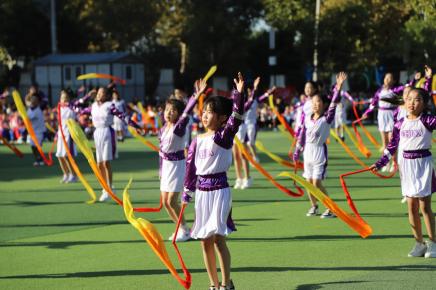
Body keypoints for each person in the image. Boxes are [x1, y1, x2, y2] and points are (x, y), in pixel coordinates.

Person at [182, 72, 245, 290]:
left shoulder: (223, 137)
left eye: (211, 112)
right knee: (204, 240)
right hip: (201, 192)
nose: (206, 115)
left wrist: (238, 94)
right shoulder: (197, 140)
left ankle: (227, 284)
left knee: (218, 239)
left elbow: (237, 117)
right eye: (205, 111)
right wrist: (186, 192)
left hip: (219, 190)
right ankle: (213, 284)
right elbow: (190, 168)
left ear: (221, 118)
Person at [370, 86, 435, 258]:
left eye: (417, 99)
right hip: (406, 165)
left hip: (423, 164)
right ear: (404, 101)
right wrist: (380, 162)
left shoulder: (428, 120)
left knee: (424, 206)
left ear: (424, 103)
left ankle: (433, 243)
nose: (412, 103)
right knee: (411, 206)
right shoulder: (399, 123)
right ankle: (419, 243)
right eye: (409, 99)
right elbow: (391, 146)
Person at [293, 72, 347, 218]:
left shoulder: (326, 118)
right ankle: (314, 206)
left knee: (316, 182)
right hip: (308, 153)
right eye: (314, 102)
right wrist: (297, 151)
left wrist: (339, 86)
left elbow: (334, 102)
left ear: (323, 104)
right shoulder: (308, 118)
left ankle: (331, 208)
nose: (315, 104)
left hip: (319, 153)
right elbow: (303, 134)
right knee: (309, 183)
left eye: (318, 102)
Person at [160, 78, 207, 242]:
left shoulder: (179, 128)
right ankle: (181, 228)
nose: (169, 113)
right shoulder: (164, 129)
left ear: (179, 114)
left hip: (177, 166)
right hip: (166, 167)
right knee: (166, 203)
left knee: (172, 201)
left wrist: (197, 95)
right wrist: (160, 170)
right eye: (167, 109)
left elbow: (187, 112)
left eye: (173, 111)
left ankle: (185, 229)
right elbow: (161, 152)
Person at [90, 87, 141, 202]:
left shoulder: (110, 105)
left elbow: (123, 116)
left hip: (107, 132)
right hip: (97, 133)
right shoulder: (93, 106)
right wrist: (88, 96)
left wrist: (135, 126)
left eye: (101, 93)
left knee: (106, 162)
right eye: (98, 93)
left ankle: (110, 187)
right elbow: (77, 108)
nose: (99, 95)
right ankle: (105, 188)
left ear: (107, 95)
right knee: (99, 164)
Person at [362, 73, 416, 172]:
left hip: (391, 115)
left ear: (393, 81)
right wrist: (366, 113)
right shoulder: (379, 91)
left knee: (392, 141)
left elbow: (407, 87)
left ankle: (394, 163)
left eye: (390, 78)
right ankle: (385, 163)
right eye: (386, 78)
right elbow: (373, 103)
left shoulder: (394, 90)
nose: (387, 80)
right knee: (385, 143)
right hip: (381, 115)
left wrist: (414, 80)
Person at [56, 90, 78, 183]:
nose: (63, 100)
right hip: (61, 134)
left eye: (65, 98)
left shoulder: (71, 108)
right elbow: (60, 122)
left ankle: (74, 175)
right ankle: (66, 174)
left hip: (69, 134)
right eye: (62, 98)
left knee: (67, 156)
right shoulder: (59, 108)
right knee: (60, 156)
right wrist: (57, 134)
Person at [25, 94, 46, 166]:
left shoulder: (38, 110)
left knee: (37, 147)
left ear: (37, 102)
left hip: (39, 131)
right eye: (32, 100)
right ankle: (38, 159)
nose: (33, 101)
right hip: (32, 132)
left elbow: (28, 118)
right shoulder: (29, 109)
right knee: (33, 146)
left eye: (34, 100)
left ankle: (41, 160)